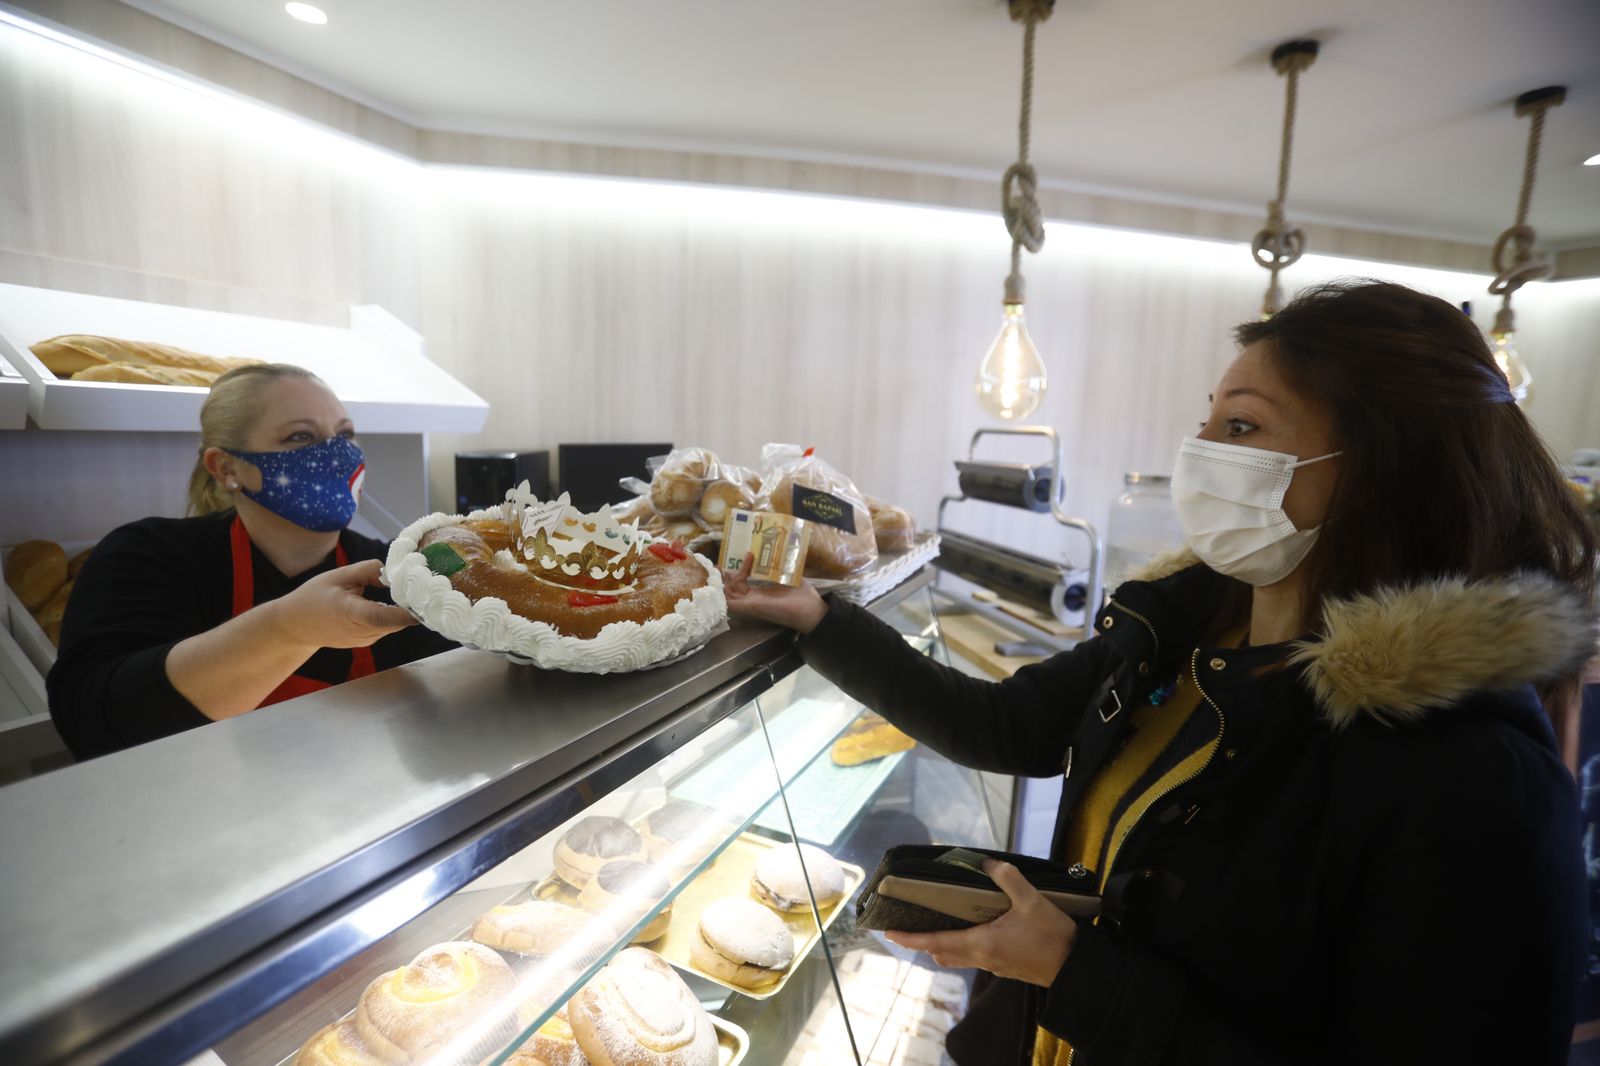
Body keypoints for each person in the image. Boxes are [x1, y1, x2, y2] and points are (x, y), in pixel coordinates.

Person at [728, 281, 1596, 1064]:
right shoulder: (1187, 628)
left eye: (1242, 428)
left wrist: (1077, 974)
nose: (1199, 449)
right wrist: (820, 620)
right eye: (1207, 421)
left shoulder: (1476, 777)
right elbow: (1003, 724)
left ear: (1379, 473)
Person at [49, 363, 454, 759]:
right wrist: (289, 628)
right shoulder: (148, 557)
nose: (337, 454)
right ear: (226, 468)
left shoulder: (396, 570)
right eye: (300, 436)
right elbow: (92, 725)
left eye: (345, 434)